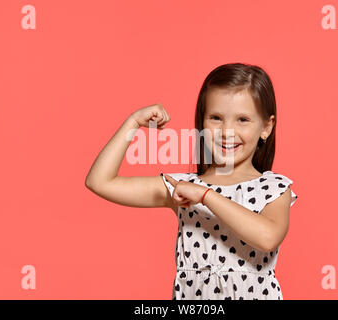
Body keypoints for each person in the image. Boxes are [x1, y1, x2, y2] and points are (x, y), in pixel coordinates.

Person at [85, 63, 298, 300]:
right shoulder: (182, 188)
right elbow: (100, 181)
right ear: (201, 122)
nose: (227, 131)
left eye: (243, 120)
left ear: (266, 127)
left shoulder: (273, 188)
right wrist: (133, 123)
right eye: (216, 118)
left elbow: (267, 237)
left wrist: (205, 196)